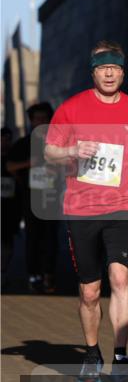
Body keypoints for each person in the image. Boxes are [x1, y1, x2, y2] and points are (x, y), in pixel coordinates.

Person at [43, 41, 128, 382]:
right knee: (89, 291)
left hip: (123, 206)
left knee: (121, 278)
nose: (109, 73)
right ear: (93, 71)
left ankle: (121, 357)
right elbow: (49, 152)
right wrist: (73, 149)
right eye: (102, 68)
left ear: (123, 71)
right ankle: (92, 354)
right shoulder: (71, 108)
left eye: (115, 68)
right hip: (81, 208)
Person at [7, 102, 58, 293]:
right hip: (31, 199)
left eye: (45, 118)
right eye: (37, 119)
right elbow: (10, 166)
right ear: (31, 121)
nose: (41, 122)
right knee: (33, 239)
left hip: (53, 198)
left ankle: (49, 275)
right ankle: (33, 275)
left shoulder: (59, 143)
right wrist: (30, 164)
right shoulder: (24, 144)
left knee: (51, 239)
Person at [1, 127, 20, 283]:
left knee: (7, 240)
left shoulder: (15, 157)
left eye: (7, 139)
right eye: (1, 139)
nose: (4, 143)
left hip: (10, 207)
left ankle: (3, 270)